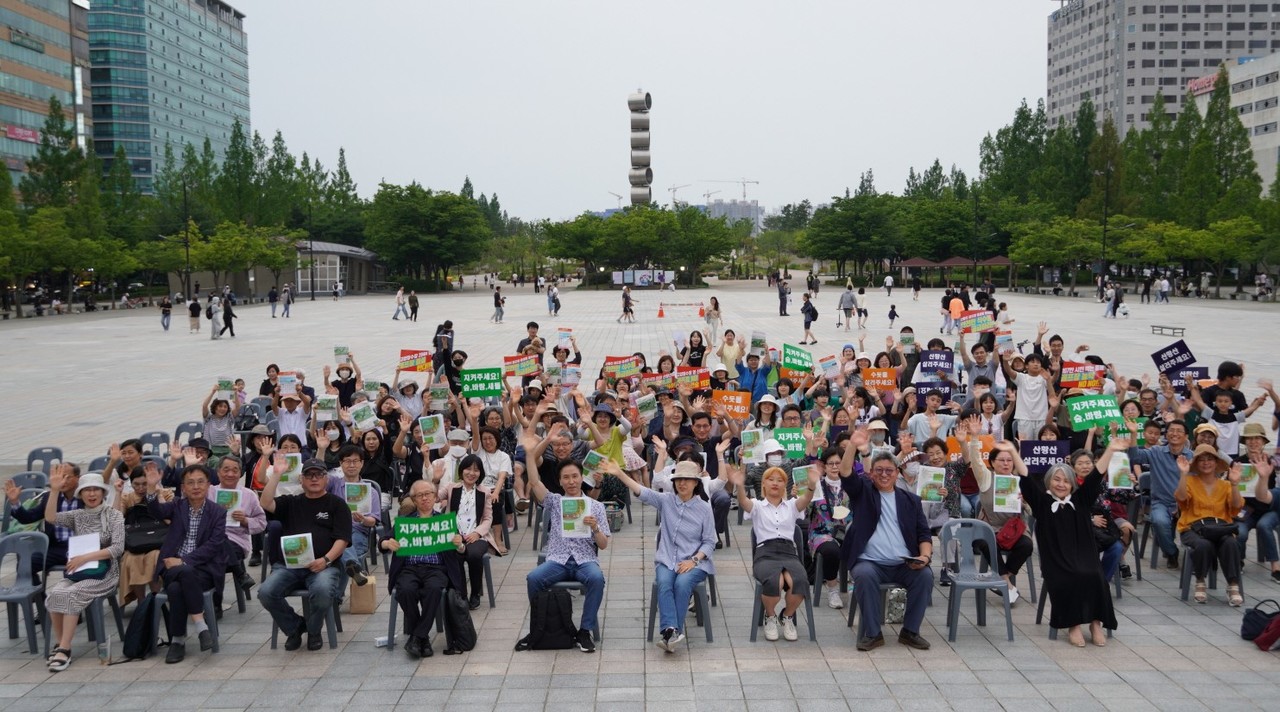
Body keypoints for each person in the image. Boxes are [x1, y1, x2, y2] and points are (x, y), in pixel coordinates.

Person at [836, 433, 934, 652]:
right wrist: (853, 444)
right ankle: (872, 633)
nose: (884, 475)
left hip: (903, 564)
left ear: (897, 473)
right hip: (870, 562)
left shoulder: (911, 500)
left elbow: (924, 534)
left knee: (925, 575)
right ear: (871, 473)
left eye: (889, 470)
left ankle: (910, 631)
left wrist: (924, 557)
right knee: (864, 575)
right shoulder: (864, 492)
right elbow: (845, 472)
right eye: (878, 470)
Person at [520, 432, 610, 653]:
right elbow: (534, 481)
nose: (571, 481)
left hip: (584, 560)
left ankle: (584, 631)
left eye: (575, 477)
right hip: (558, 560)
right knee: (534, 578)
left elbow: (604, 544)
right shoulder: (556, 502)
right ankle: (541, 625)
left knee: (597, 579)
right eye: (566, 478)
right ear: (560, 481)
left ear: (582, 478)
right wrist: (531, 455)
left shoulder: (595, 506)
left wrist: (595, 527)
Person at [1022, 449, 1120, 647]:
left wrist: (1111, 449)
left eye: (1066, 481)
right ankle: (1073, 625)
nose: (1061, 484)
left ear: (1072, 484)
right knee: (1071, 576)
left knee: (1095, 575)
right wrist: (1015, 452)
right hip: (1056, 561)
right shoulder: (1042, 503)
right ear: (1049, 481)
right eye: (1057, 480)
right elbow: (1025, 478)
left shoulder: (1081, 500)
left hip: (1084, 556)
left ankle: (1095, 623)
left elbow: (1096, 475)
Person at [258, 457, 351, 652]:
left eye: (319, 475)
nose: (314, 479)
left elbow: (342, 540)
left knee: (324, 591)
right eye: (309, 475)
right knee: (266, 592)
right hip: (289, 566)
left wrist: (325, 560)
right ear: (301, 479)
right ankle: (295, 627)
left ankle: (314, 630)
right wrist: (276, 474)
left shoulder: (337, 504)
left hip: (323, 566)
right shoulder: (291, 502)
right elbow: (265, 503)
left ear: (326, 479)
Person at [42, 469, 125, 672]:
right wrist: (54, 490)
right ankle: (61, 642)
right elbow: (51, 518)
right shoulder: (77, 515)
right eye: (87, 490)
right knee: (54, 593)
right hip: (79, 572)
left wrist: (85, 557)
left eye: (96, 489)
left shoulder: (114, 515)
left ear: (103, 493)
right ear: (80, 494)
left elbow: (117, 548)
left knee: (71, 594)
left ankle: (65, 649)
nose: (92, 494)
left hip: (105, 574)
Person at [145, 464, 227, 664]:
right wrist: (151, 487)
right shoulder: (177, 506)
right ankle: (200, 624)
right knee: (181, 575)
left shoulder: (218, 512)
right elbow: (156, 511)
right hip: (171, 567)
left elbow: (213, 546)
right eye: (190, 483)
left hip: (202, 569)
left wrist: (183, 561)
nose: (196, 486)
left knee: (175, 589)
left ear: (208, 485)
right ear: (183, 488)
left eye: (200, 482)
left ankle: (178, 641)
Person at [730, 462, 818, 642]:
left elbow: (806, 500)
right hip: (765, 553)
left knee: (799, 580)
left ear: (785, 485)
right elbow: (743, 501)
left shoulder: (792, 505)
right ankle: (770, 616)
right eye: (771, 479)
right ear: (763, 484)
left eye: (780, 480)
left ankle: (787, 615)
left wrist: (811, 485)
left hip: (788, 552)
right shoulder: (757, 506)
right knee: (775, 581)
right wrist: (739, 485)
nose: (775, 483)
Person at [381, 481, 466, 658]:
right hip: (409, 568)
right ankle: (423, 638)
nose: (425, 498)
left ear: (435, 497)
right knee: (405, 590)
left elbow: (461, 549)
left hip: (436, 568)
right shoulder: (405, 523)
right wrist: (387, 543)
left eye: (429, 494)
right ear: (413, 500)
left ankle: (416, 637)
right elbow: (382, 542)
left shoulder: (444, 522)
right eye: (420, 495)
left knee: (434, 589)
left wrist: (459, 545)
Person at [1175, 444, 1245, 606]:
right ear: (1197, 463)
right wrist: (1183, 475)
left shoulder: (1226, 485)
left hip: (1221, 527)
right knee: (1202, 544)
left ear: (1216, 462)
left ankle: (1233, 585)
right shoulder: (1191, 481)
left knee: (1230, 542)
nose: (1206, 463)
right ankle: (1200, 580)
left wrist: (1234, 484)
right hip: (1193, 527)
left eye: (1210, 459)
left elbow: (1236, 507)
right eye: (1202, 460)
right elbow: (1181, 498)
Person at [437, 453, 502, 609]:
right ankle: (461, 594)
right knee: (455, 555)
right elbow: (434, 498)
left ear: (480, 473)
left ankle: (475, 593)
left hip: (476, 536)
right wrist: (435, 480)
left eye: (476, 470)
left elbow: (487, 519)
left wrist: (477, 533)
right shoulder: (452, 487)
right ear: (461, 470)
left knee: (473, 554)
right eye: (468, 469)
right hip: (454, 534)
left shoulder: (485, 491)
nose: (472, 473)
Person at [1127, 419, 1194, 569]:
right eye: (1171, 430)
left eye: (1179, 431)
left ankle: (1197, 556)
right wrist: (1133, 434)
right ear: (1166, 434)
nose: (1174, 434)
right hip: (1161, 501)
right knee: (1159, 521)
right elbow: (1135, 457)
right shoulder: (1156, 451)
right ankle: (1172, 553)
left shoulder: (1192, 457)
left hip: (1186, 504)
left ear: (1186, 436)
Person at [5, 462, 82, 583]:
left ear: (78, 478)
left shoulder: (86, 496)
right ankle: (39, 599)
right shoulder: (49, 497)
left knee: (72, 577)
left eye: (67, 477)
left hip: (80, 547)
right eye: (59, 477)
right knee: (25, 564)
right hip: (56, 547)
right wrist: (15, 502)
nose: (63, 481)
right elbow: (28, 518)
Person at [209, 455, 265, 612]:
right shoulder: (210, 492)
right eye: (226, 470)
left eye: (235, 470)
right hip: (210, 543)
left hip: (237, 542)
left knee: (217, 549)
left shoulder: (249, 495)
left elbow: (262, 523)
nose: (230, 474)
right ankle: (239, 573)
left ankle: (215, 605)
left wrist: (245, 521)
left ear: (240, 473)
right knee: (216, 548)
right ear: (218, 472)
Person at [809, 450, 853, 608]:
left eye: (838, 463)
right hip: (822, 533)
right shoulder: (816, 486)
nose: (835, 467)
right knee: (831, 551)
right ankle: (833, 589)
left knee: (863, 544)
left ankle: (855, 585)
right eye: (831, 464)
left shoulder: (851, 484)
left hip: (848, 530)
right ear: (824, 467)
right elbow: (803, 509)